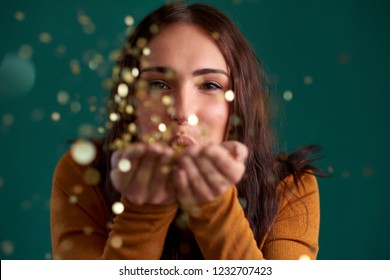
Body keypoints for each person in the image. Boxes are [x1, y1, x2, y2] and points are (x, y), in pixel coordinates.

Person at [50, 2, 322, 260]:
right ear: (131, 100)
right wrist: (144, 210)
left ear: (239, 102)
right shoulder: (84, 175)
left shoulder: (290, 188)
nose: (182, 111)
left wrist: (214, 202)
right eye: (158, 84)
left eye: (211, 86)